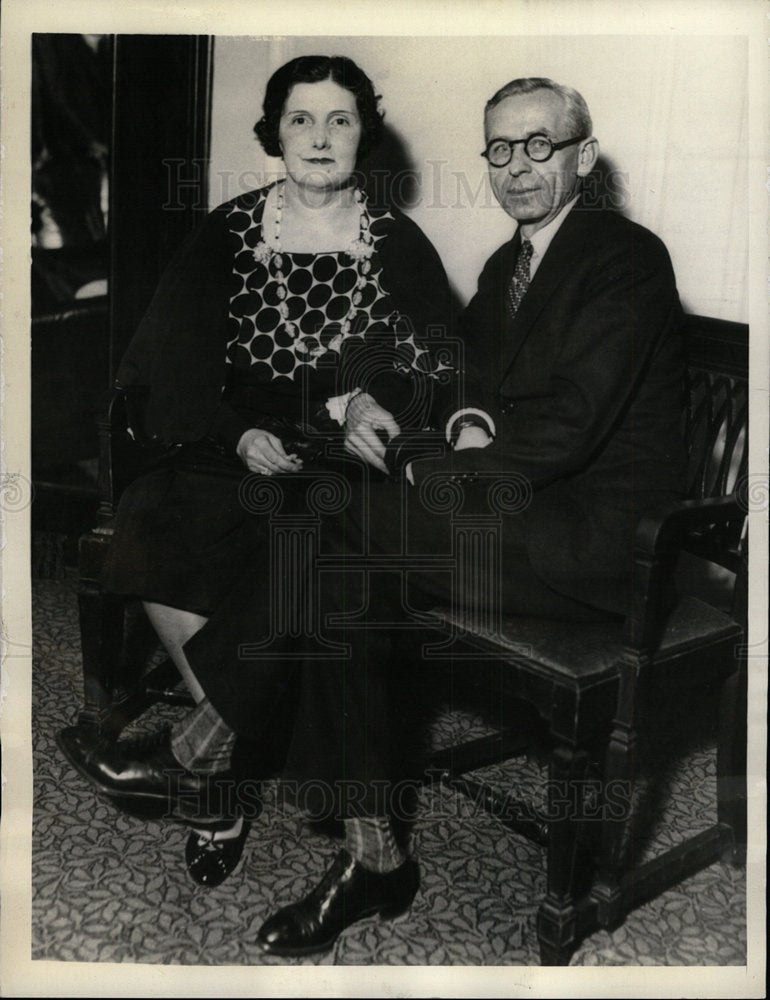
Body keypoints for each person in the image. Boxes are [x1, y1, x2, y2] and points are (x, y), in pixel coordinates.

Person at [60, 76, 686, 954]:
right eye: (500, 149)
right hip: (521, 515)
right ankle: (373, 855)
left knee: (338, 529)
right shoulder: (516, 264)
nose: (516, 167)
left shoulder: (623, 256)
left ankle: (202, 749)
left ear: (584, 155)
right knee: (336, 560)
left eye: (539, 145)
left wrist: (404, 453)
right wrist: (412, 411)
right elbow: (455, 369)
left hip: (594, 547)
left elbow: (566, 429)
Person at [57, 54, 453, 888]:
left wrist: (362, 402)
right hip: (239, 443)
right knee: (160, 515)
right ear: (273, 133)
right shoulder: (232, 230)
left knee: (311, 549)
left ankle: (211, 762)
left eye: (339, 120)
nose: (319, 137)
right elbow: (175, 366)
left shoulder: (399, 242)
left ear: (363, 136)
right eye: (301, 119)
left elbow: (432, 365)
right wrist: (236, 435)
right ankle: (228, 753)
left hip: (345, 457)